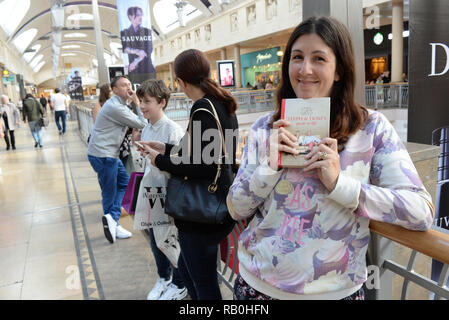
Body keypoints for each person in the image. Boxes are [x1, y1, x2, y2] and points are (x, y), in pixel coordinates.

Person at [227, 16, 434, 300]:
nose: (305, 69)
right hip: (257, 288)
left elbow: (420, 211)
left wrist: (341, 184)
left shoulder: (371, 128)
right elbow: (235, 208)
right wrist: (268, 167)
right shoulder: (266, 127)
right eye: (297, 57)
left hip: (336, 293)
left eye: (319, 59)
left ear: (339, 70)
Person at [138, 49, 239, 300]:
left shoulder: (202, 108)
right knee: (191, 273)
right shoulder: (223, 104)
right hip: (221, 204)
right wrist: (167, 149)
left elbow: (203, 166)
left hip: (201, 212)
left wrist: (160, 160)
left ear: (181, 81)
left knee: (203, 284)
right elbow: (208, 155)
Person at [134, 79, 187, 300]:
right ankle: (164, 278)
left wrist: (158, 160)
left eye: (147, 101)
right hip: (152, 190)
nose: (142, 106)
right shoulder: (146, 128)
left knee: (170, 239)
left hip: (168, 192)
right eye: (141, 101)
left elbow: (179, 166)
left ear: (162, 102)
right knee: (156, 238)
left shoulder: (172, 130)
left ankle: (180, 282)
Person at [87, 75, 147, 244]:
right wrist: (137, 103)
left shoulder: (119, 104)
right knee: (110, 191)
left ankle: (113, 222)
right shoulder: (115, 107)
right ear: (114, 90)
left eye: (129, 84)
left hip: (108, 153)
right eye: (123, 85)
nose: (129, 88)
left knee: (125, 183)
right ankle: (112, 221)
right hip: (104, 155)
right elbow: (141, 123)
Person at [121, 6, 155, 75]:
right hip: (134, 71)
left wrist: (135, 61)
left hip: (147, 69)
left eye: (141, 15)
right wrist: (137, 51)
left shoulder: (147, 31)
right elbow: (124, 48)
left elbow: (149, 50)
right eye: (138, 15)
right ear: (130, 16)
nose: (141, 17)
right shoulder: (125, 32)